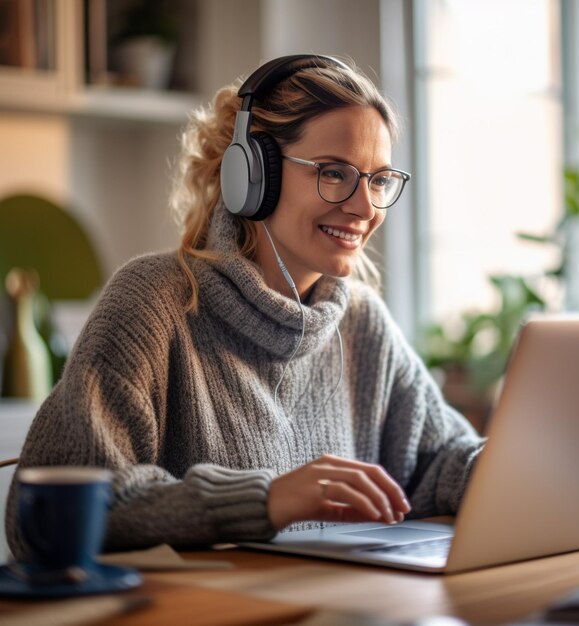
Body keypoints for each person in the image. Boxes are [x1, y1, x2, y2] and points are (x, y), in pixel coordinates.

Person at [6, 54, 485, 558]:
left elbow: (440, 464)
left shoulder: (363, 324)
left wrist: (519, 463)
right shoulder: (153, 301)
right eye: (335, 173)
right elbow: (43, 517)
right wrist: (265, 500)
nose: (365, 208)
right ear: (253, 174)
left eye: (379, 180)